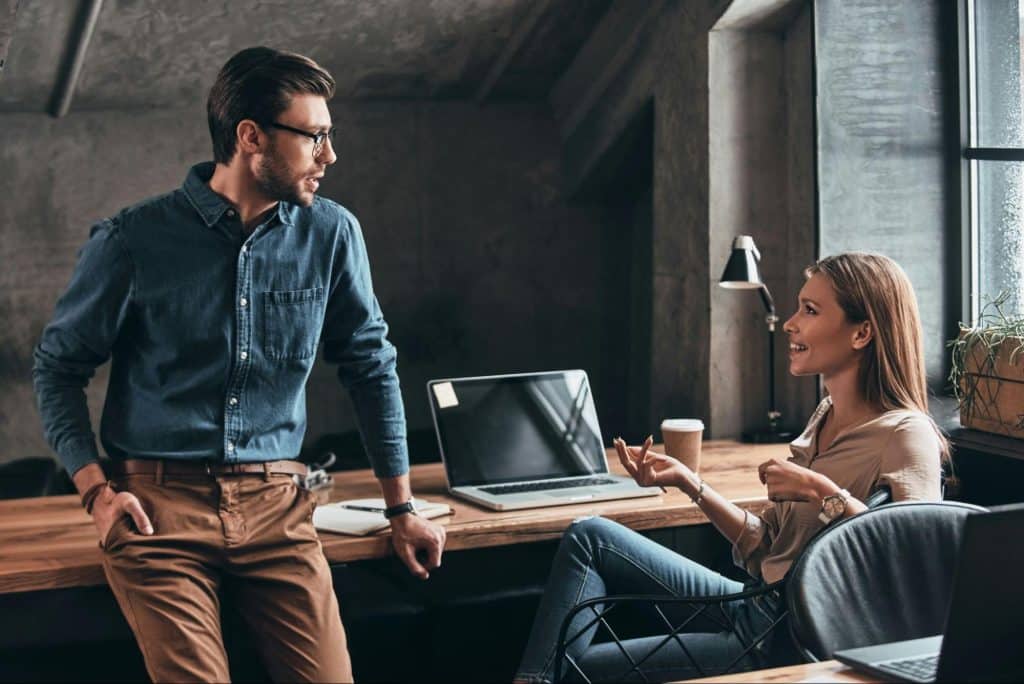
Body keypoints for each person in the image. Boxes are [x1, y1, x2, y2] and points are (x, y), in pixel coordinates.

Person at [32, 46, 446, 682]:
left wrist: (401, 507)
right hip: (157, 511)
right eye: (314, 137)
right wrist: (96, 494)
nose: (329, 156)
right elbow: (58, 367)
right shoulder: (132, 240)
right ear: (250, 136)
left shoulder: (332, 234)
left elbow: (370, 364)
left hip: (279, 504)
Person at [514, 252, 946, 683]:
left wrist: (823, 493)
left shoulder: (906, 434)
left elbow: (912, 562)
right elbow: (764, 547)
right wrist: (689, 482)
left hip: (790, 637)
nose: (791, 323)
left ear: (862, 332)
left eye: (810, 311)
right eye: (798, 307)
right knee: (590, 536)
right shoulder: (825, 415)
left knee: (566, 669)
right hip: (754, 605)